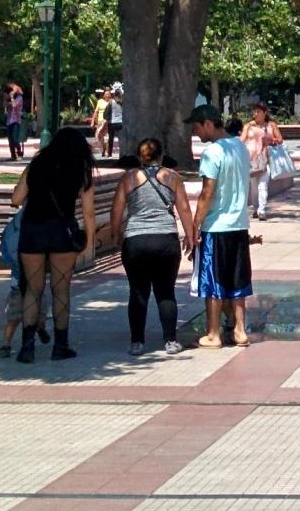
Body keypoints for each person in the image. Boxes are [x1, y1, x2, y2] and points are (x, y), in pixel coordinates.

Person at [11, 129, 95, 362]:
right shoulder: (81, 169)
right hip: (62, 232)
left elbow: (16, 199)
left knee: (32, 291)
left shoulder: (37, 164)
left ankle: (27, 346)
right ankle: (60, 346)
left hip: (32, 231)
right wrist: (88, 242)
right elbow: (88, 212)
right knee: (61, 291)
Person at [112, 136, 193, 353]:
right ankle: (171, 341)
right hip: (166, 240)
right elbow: (184, 208)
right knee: (166, 291)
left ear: (139, 157)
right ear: (162, 156)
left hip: (135, 240)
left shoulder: (128, 178)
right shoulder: (172, 177)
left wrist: (116, 234)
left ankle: (137, 343)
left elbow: (117, 210)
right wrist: (190, 235)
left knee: (138, 292)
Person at [187, 104, 255, 347]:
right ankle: (240, 330)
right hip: (238, 224)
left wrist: (195, 224)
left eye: (196, 127)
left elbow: (208, 192)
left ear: (207, 123)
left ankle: (213, 333)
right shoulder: (240, 147)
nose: (196, 133)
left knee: (213, 280)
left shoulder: (212, 152)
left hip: (216, 226)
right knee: (238, 279)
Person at [243, 102, 283, 217]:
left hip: (265, 159)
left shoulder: (271, 125)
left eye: (258, 111)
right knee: (254, 187)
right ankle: (256, 209)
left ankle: (262, 210)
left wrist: (271, 140)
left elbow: (280, 140)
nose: (255, 114)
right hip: (251, 160)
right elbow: (242, 139)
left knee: (262, 185)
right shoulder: (248, 126)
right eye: (254, 111)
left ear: (264, 113)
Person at [5, 83, 28, 161]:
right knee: (10, 140)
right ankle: (13, 155)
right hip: (9, 121)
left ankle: (20, 154)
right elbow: (4, 105)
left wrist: (11, 96)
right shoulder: (9, 100)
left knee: (15, 139)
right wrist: (6, 99)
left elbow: (14, 105)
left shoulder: (19, 98)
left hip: (16, 121)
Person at [106, 85, 125, 159]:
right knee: (121, 138)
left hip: (112, 122)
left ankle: (110, 154)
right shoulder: (123, 101)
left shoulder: (111, 101)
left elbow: (107, 111)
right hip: (121, 122)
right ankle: (122, 153)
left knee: (111, 138)